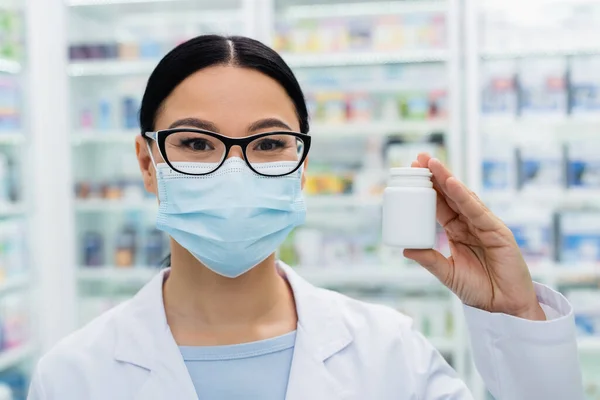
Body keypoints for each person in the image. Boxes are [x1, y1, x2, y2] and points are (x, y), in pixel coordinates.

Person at [28, 35, 583, 400]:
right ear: (148, 164)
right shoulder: (73, 376)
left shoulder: (389, 354)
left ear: (300, 164)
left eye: (269, 143)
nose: (234, 168)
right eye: (196, 143)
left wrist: (516, 312)